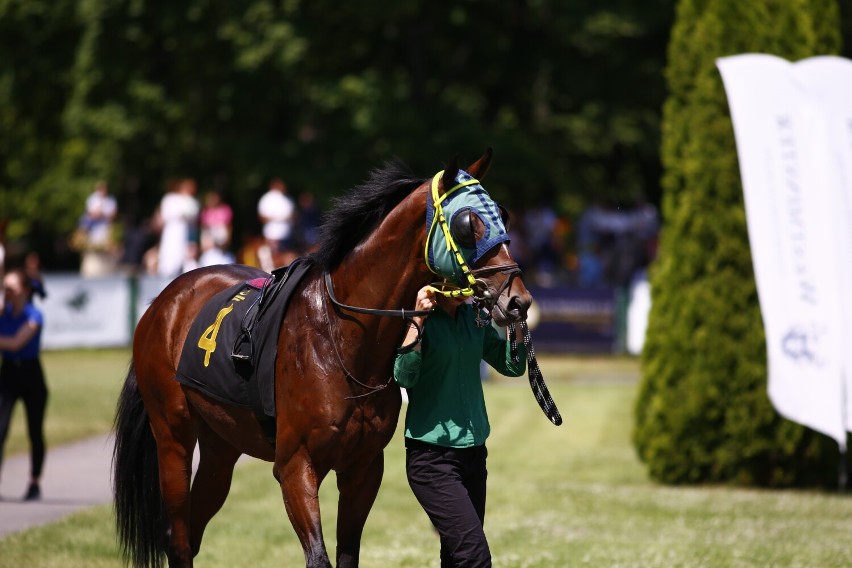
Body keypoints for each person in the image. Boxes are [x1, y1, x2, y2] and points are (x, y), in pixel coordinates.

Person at [394, 285, 527, 567]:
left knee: (454, 558)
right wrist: (418, 319)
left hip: (474, 454)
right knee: (475, 557)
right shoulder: (421, 317)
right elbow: (404, 376)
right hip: (431, 460)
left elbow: (512, 365)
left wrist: (516, 324)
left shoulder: (474, 317)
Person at [0, 268, 48, 501]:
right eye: (4, 288)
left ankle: (34, 482)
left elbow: (17, 342)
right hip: (7, 373)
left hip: (31, 374)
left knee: (34, 431)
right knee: (0, 430)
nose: (6, 292)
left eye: (11, 288)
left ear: (24, 291)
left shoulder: (34, 316)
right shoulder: (3, 312)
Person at [157, 178, 200, 278]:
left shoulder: (191, 201)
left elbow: (193, 218)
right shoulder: (169, 198)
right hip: (171, 232)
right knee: (169, 257)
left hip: (184, 234)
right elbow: (165, 215)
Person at [79, 180, 119, 277]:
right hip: (93, 233)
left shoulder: (110, 200)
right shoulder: (92, 199)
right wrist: (103, 214)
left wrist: (101, 214)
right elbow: (91, 214)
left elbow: (113, 215)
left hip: (106, 232)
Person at [257, 178, 295, 263]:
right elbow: (262, 217)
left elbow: (293, 217)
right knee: (269, 259)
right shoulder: (267, 199)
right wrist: (277, 218)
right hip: (271, 235)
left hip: (286, 236)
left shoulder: (287, 200)